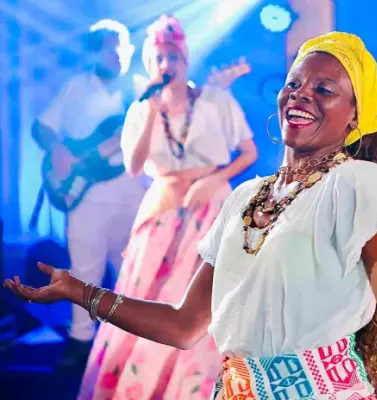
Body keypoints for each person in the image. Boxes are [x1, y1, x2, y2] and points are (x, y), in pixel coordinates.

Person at [6, 31, 377, 400]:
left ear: (355, 117)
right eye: (295, 84)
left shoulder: (358, 183)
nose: (301, 95)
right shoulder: (244, 197)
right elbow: (185, 325)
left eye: (324, 89)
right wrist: (82, 293)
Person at [74, 15, 258, 400]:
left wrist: (212, 180)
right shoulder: (142, 108)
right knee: (150, 294)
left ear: (185, 58)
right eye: (157, 58)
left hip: (210, 206)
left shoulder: (215, 100)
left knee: (206, 298)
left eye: (172, 56)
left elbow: (248, 152)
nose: (165, 64)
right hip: (163, 210)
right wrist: (151, 113)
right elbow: (133, 166)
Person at [31, 19, 146, 367]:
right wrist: (57, 149)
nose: (117, 55)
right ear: (94, 53)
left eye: (122, 48)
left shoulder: (141, 88)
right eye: (110, 49)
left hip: (134, 192)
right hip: (84, 196)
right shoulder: (76, 87)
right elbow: (42, 127)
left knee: (133, 269)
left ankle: (131, 344)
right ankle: (81, 339)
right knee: (83, 270)